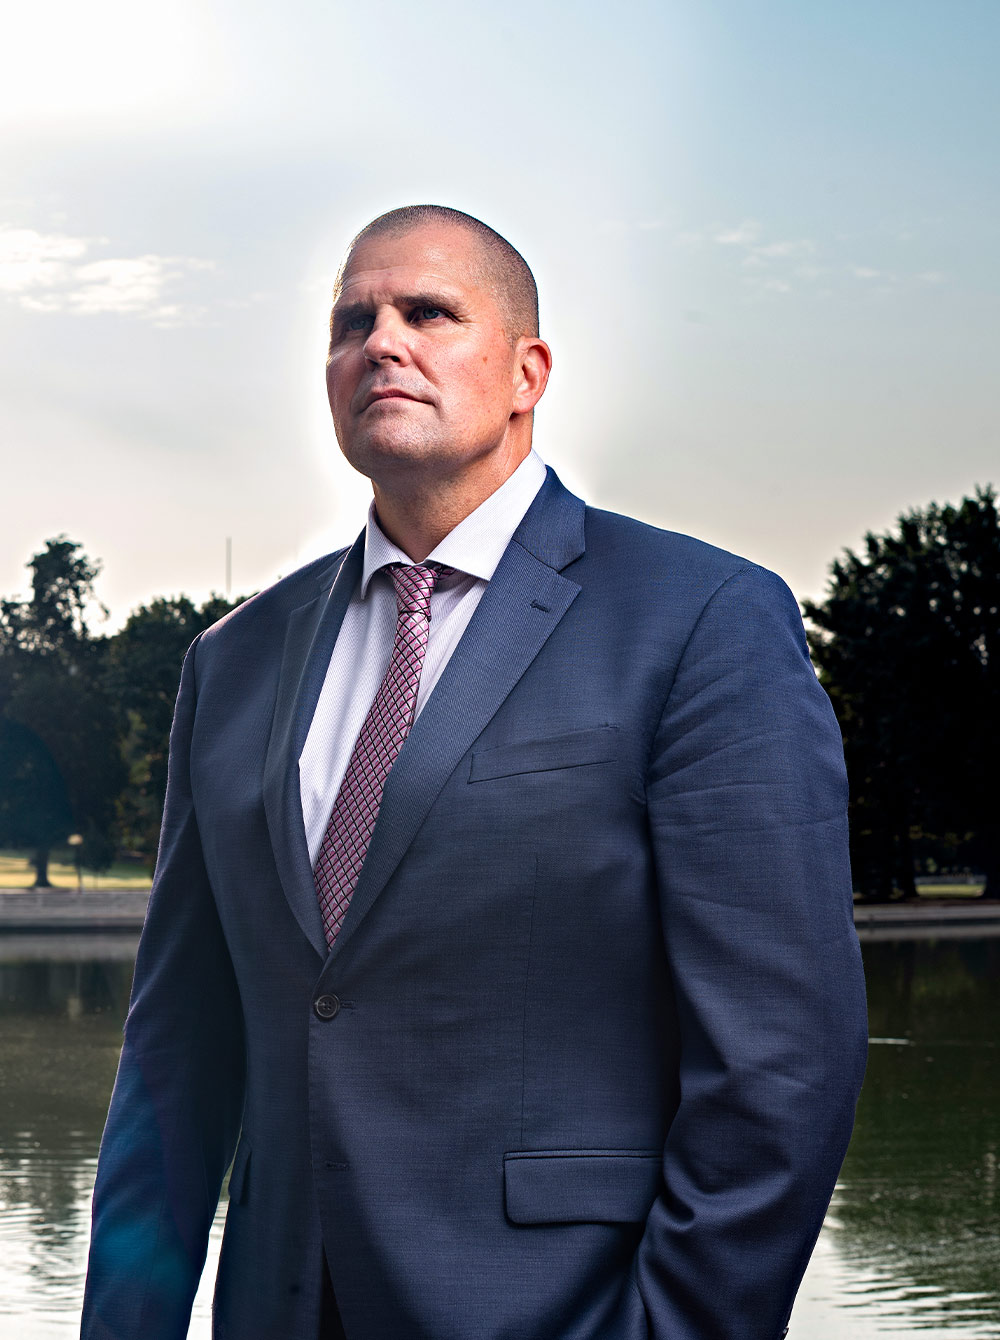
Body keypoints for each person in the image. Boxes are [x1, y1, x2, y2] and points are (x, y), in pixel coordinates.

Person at [81, 204, 868, 1340]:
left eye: (428, 312)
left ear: (526, 371)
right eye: (352, 321)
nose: (380, 342)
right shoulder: (232, 661)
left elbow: (780, 1061)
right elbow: (174, 1062)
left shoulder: (700, 619)